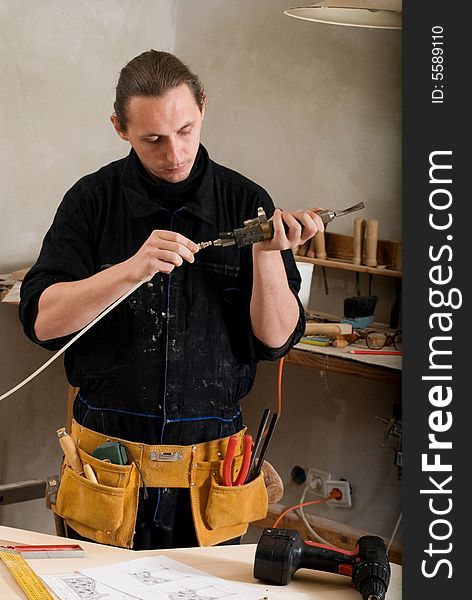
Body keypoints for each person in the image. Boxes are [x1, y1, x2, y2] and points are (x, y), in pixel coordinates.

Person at [19, 50, 324, 550]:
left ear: (202, 107)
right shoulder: (90, 202)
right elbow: (41, 322)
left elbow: (274, 341)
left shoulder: (247, 203)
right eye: (153, 140)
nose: (175, 153)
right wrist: (128, 270)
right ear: (120, 128)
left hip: (211, 476)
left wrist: (270, 254)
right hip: (109, 469)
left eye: (185, 130)